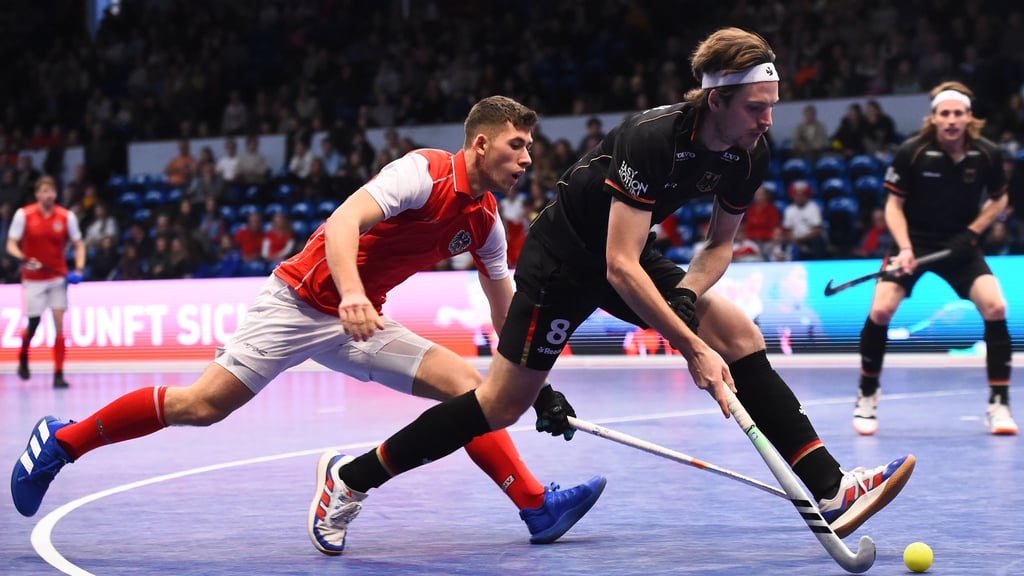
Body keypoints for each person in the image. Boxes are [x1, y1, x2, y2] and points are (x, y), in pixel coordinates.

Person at [294, 28, 915, 549]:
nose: (767, 119)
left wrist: (689, 307)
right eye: (756, 106)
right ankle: (352, 476)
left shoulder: (748, 153)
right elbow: (618, 267)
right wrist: (691, 348)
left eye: (772, 105)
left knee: (737, 332)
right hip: (563, 262)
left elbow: (717, 246)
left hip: (627, 252)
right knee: (501, 405)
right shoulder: (651, 140)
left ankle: (832, 489)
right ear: (716, 99)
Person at [11, 96, 605, 555]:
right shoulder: (422, 172)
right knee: (202, 405)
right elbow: (345, 223)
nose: (528, 158)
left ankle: (534, 504)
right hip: (299, 303)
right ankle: (62, 441)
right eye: (518, 145)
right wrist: (349, 293)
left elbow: (508, 313)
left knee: (472, 393)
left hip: (360, 320)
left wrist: (536, 388)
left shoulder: (486, 223)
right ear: (481, 144)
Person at [853, 81, 1018, 436]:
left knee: (996, 307)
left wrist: (973, 234)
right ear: (934, 118)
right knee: (880, 310)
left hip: (961, 244)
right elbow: (893, 206)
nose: (952, 120)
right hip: (912, 241)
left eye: (958, 113)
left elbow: (999, 200)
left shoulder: (987, 154)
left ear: (969, 118)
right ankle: (867, 395)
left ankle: (999, 404)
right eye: (945, 114)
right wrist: (906, 248)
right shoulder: (912, 152)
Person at [5, 176, 86, 388]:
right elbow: (11, 244)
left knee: (59, 323)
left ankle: (58, 374)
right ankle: (23, 355)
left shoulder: (66, 217)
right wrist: (22, 258)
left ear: (55, 194)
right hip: (32, 279)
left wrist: (79, 267)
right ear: (37, 194)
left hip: (58, 277)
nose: (48, 195)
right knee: (33, 324)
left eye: (51, 191)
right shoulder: (24, 215)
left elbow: (79, 244)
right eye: (44, 191)